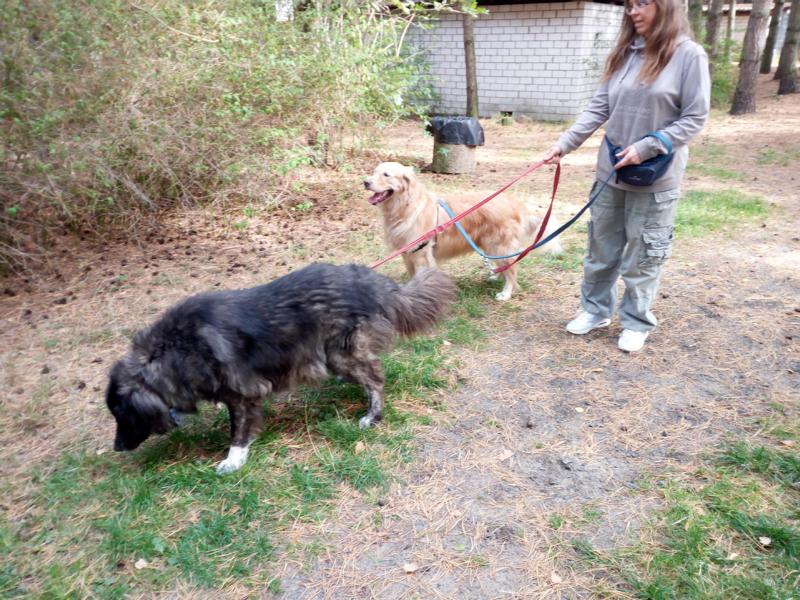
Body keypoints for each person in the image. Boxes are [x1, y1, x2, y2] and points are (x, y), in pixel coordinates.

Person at [542, 0, 711, 352]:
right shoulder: (624, 53)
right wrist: (564, 144)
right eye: (630, 4)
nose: (633, 11)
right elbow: (599, 107)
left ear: (666, 7)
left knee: (644, 254)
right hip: (612, 171)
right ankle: (595, 310)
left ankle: (635, 321)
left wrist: (649, 146)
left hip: (656, 175)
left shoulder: (689, 56)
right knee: (601, 248)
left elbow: (695, 117)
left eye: (643, 3)